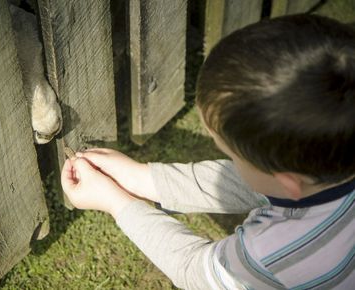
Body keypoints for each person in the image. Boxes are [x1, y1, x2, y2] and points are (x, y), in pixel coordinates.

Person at [61, 14, 355, 289]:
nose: (230, 161)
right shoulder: (326, 166)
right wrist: (144, 179)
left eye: (232, 156)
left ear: (288, 182)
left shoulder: (271, 256)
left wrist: (117, 203)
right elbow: (254, 186)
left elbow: (192, 268)